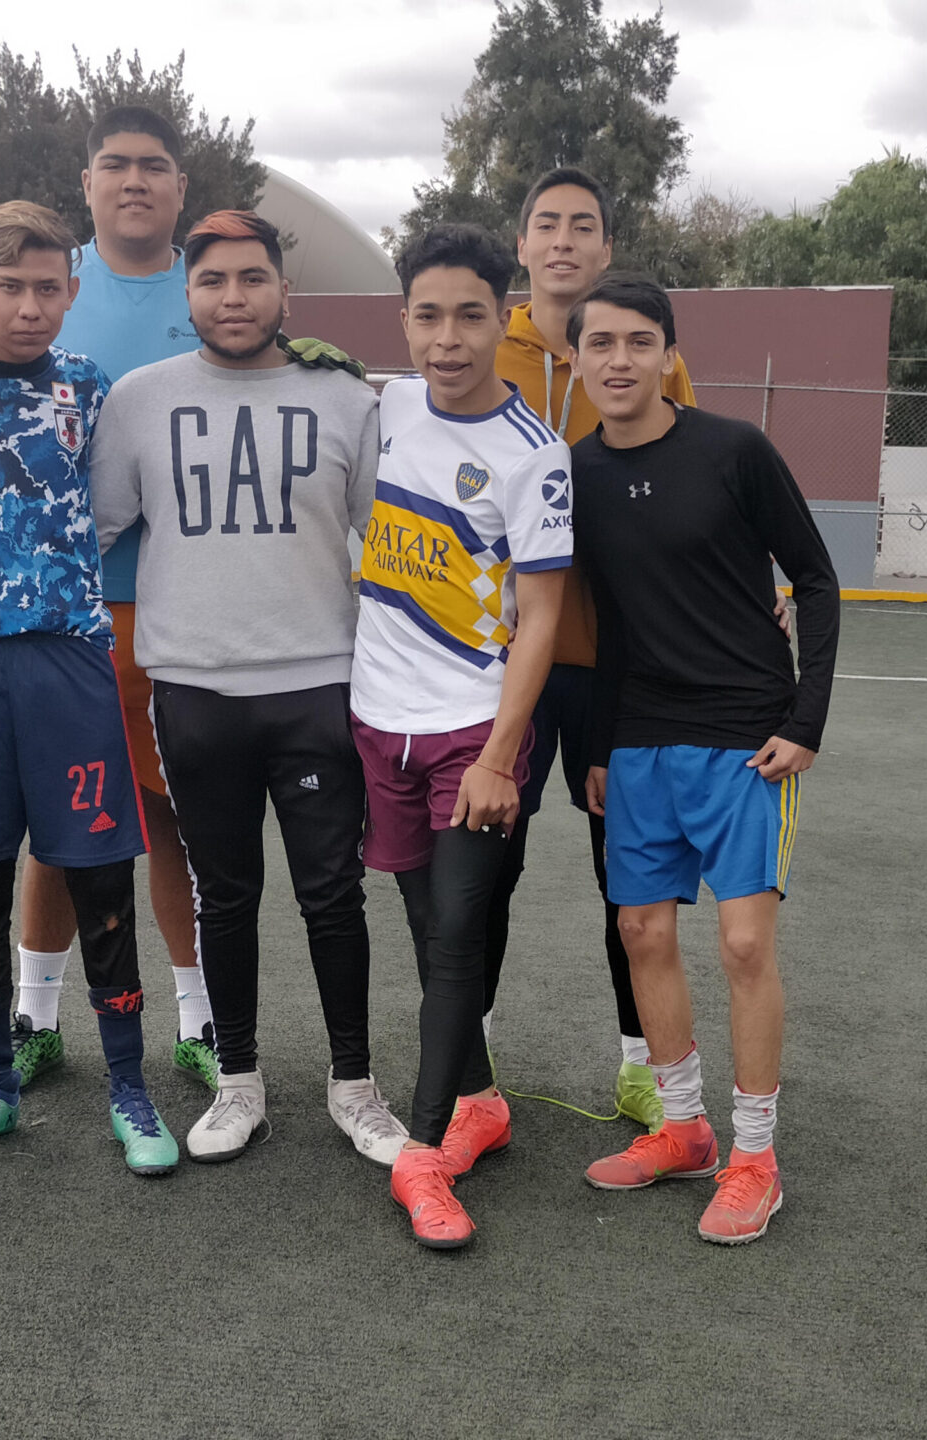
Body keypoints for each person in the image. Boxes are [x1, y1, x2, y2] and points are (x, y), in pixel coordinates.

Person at [89, 209, 407, 1165]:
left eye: (253, 278)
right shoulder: (140, 399)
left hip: (318, 684)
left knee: (332, 896)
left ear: (284, 290)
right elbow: (95, 532)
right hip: (191, 688)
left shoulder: (346, 399)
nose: (234, 298)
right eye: (214, 280)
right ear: (187, 295)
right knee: (224, 895)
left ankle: (355, 1084)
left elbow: (386, 544)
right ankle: (238, 1083)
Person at [0, 200, 178, 1177]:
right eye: (11, 286)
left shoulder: (91, 388)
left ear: (72, 290)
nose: (31, 306)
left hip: (68, 662)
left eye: (49, 287)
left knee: (98, 876)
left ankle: (131, 1091)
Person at [565, 274, 840, 1246]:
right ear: (577, 357)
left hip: (745, 737)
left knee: (741, 946)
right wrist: (598, 747)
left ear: (669, 353)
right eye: (600, 343)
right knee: (641, 932)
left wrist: (805, 718)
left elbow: (815, 578)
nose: (619, 360)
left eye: (639, 341)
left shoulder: (733, 451)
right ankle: (683, 1131)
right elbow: (604, 622)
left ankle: (755, 1156)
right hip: (637, 739)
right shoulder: (578, 475)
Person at [357, 224, 571, 1249]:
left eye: (470, 316)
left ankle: (425, 1151)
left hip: (471, 737)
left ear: (503, 317)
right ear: (404, 319)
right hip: (375, 724)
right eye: (428, 316)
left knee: (451, 942)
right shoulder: (388, 403)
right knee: (424, 929)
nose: (447, 339)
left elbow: (541, 617)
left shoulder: (535, 457)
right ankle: (479, 1102)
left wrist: (499, 754)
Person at [486, 167, 699, 1130]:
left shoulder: (648, 357)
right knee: (488, 864)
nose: (564, 240)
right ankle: (468, 1050)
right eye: (546, 225)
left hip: (626, 672)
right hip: (503, 669)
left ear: (607, 249)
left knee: (632, 878)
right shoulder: (489, 348)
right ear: (523, 245)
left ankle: (639, 1064)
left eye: (584, 226)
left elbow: (696, 487)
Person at [11, 105, 215, 1092]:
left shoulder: (213, 291)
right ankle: (32, 1013)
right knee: (58, 822)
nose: (136, 180)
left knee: (177, 817)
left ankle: (202, 1020)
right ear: (86, 185)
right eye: (116, 165)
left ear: (180, 189)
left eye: (156, 166)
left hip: (186, 613)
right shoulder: (49, 291)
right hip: (64, 612)